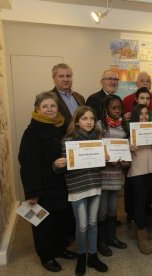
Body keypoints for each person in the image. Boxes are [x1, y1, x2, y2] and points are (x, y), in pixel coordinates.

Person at [19, 92, 77, 273]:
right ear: (37, 109)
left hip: (62, 183)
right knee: (44, 224)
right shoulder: (31, 133)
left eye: (52, 106)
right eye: (45, 106)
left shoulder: (62, 126)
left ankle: (60, 249)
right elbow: (27, 164)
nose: (50, 109)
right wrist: (32, 192)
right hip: (43, 187)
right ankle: (47, 256)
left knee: (61, 220)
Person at [56, 106, 109, 275]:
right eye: (85, 118)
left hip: (94, 185)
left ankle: (92, 256)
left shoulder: (97, 138)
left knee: (93, 222)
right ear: (77, 121)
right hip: (78, 187)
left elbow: (99, 165)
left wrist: (105, 158)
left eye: (92, 119)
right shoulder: (68, 141)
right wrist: (59, 164)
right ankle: (81, 256)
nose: (89, 122)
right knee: (82, 225)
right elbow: (63, 168)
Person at [96, 95, 129, 257]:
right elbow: (94, 149)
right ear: (106, 109)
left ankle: (111, 238)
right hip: (102, 175)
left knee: (112, 209)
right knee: (101, 211)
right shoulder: (99, 126)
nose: (117, 111)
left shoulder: (123, 127)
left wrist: (124, 162)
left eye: (119, 108)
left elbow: (125, 149)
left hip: (116, 175)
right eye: (113, 108)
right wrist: (106, 160)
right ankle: (101, 242)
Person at [127, 104, 152, 255]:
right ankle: (142, 238)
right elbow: (124, 155)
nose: (144, 116)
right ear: (135, 115)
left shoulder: (151, 130)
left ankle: (137, 228)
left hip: (150, 169)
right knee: (140, 203)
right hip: (136, 171)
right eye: (141, 114)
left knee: (147, 202)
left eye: (146, 114)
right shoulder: (130, 132)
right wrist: (129, 148)